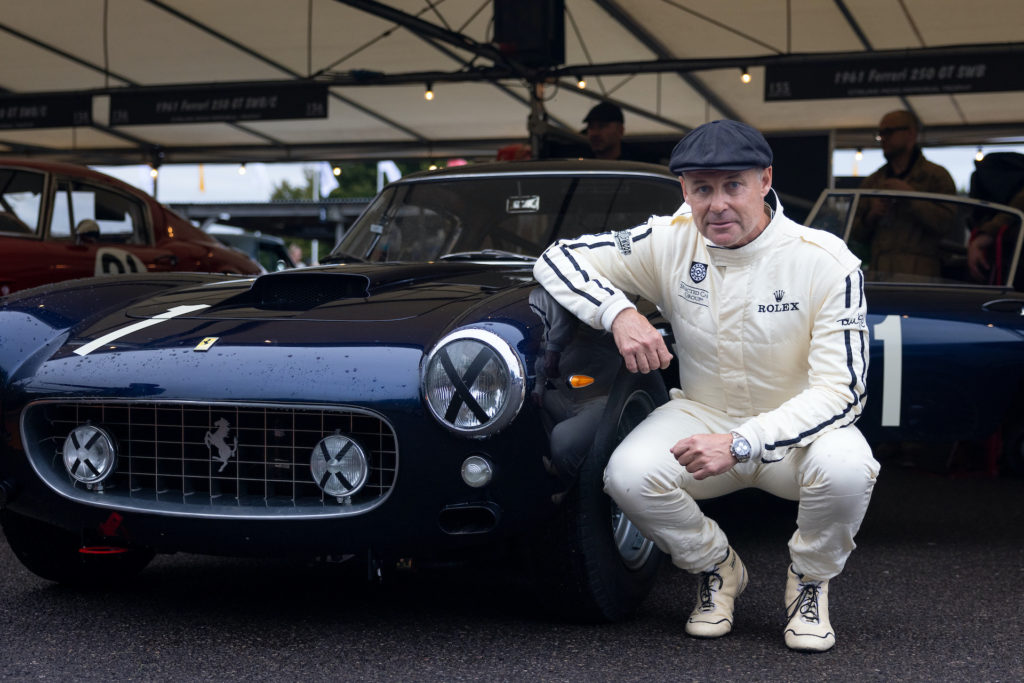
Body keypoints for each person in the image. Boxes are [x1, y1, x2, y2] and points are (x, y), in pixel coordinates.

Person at [533, 119, 878, 652]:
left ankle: (809, 582)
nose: (717, 204)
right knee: (626, 474)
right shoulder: (669, 238)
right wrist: (618, 311)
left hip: (798, 432)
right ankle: (717, 568)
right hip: (704, 412)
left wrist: (743, 442)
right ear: (685, 191)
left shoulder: (826, 260)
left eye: (733, 186)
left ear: (765, 180)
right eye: (702, 188)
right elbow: (558, 257)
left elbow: (843, 393)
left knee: (849, 469)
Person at [852, 110, 957, 278]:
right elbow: (854, 233)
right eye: (880, 133)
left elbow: (946, 224)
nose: (883, 138)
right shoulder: (873, 182)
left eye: (889, 132)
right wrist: (871, 216)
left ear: (911, 134)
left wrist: (911, 197)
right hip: (880, 274)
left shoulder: (936, 177)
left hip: (920, 277)